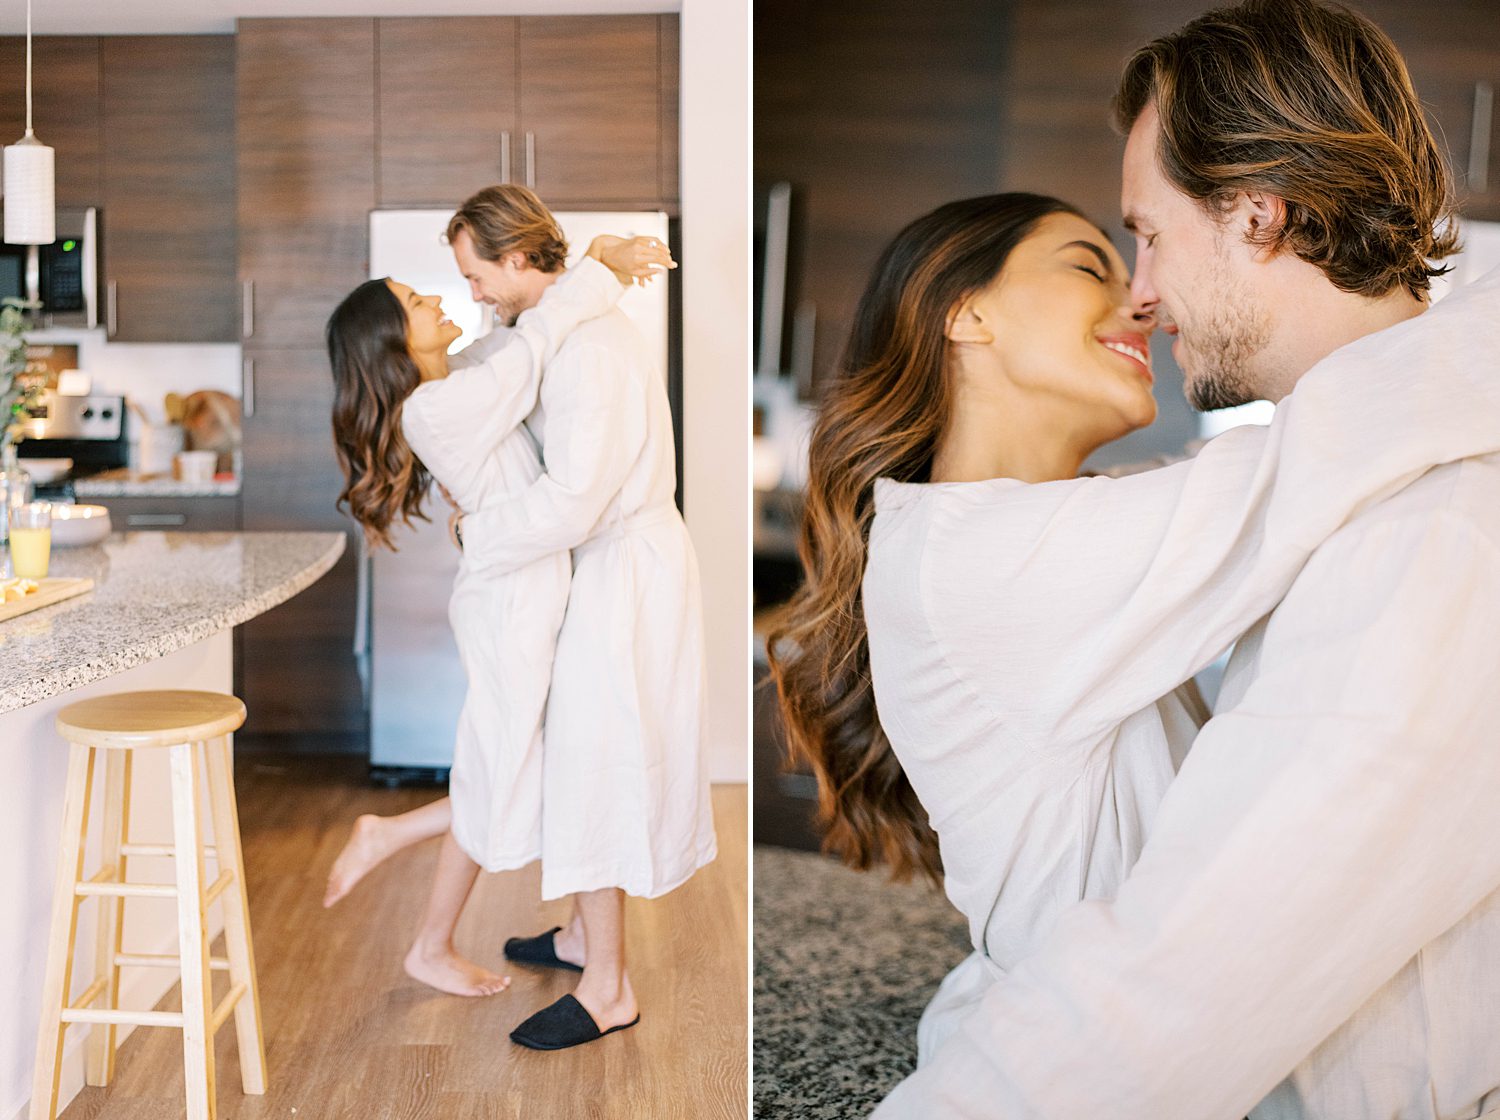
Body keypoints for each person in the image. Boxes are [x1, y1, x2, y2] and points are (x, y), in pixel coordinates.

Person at [851, 2, 1500, 1117]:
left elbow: (1194, 971)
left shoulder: (1429, 522)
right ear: (967, 321)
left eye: (1145, 234)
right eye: (1103, 256)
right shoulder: (1009, 546)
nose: (1141, 295)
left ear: (1257, 212)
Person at [324, 232, 668, 1002]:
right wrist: (599, 266)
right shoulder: (438, 406)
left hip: (528, 589)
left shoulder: (461, 380)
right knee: (506, 764)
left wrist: (581, 267)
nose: (443, 298)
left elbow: (515, 343)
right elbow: (537, 336)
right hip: (510, 603)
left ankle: (420, 893)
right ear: (392, 342)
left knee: (517, 763)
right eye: (418, 302)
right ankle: (424, 928)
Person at [443, 186, 717, 1050]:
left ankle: (609, 989)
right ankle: (573, 936)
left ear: (519, 258)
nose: (473, 294)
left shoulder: (590, 350)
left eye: (477, 275)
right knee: (577, 758)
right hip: (601, 568)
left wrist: (475, 531)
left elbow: (571, 502)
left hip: (620, 575)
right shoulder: (557, 332)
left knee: (595, 769)